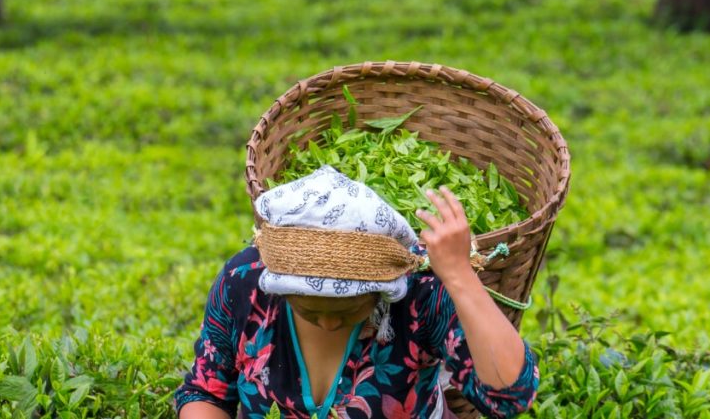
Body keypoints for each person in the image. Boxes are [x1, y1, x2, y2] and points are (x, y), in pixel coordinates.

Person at [173, 165, 539, 419]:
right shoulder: (245, 282)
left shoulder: (419, 296)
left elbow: (509, 398)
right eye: (309, 310)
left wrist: (459, 276)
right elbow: (206, 391)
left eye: (349, 309)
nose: (329, 323)